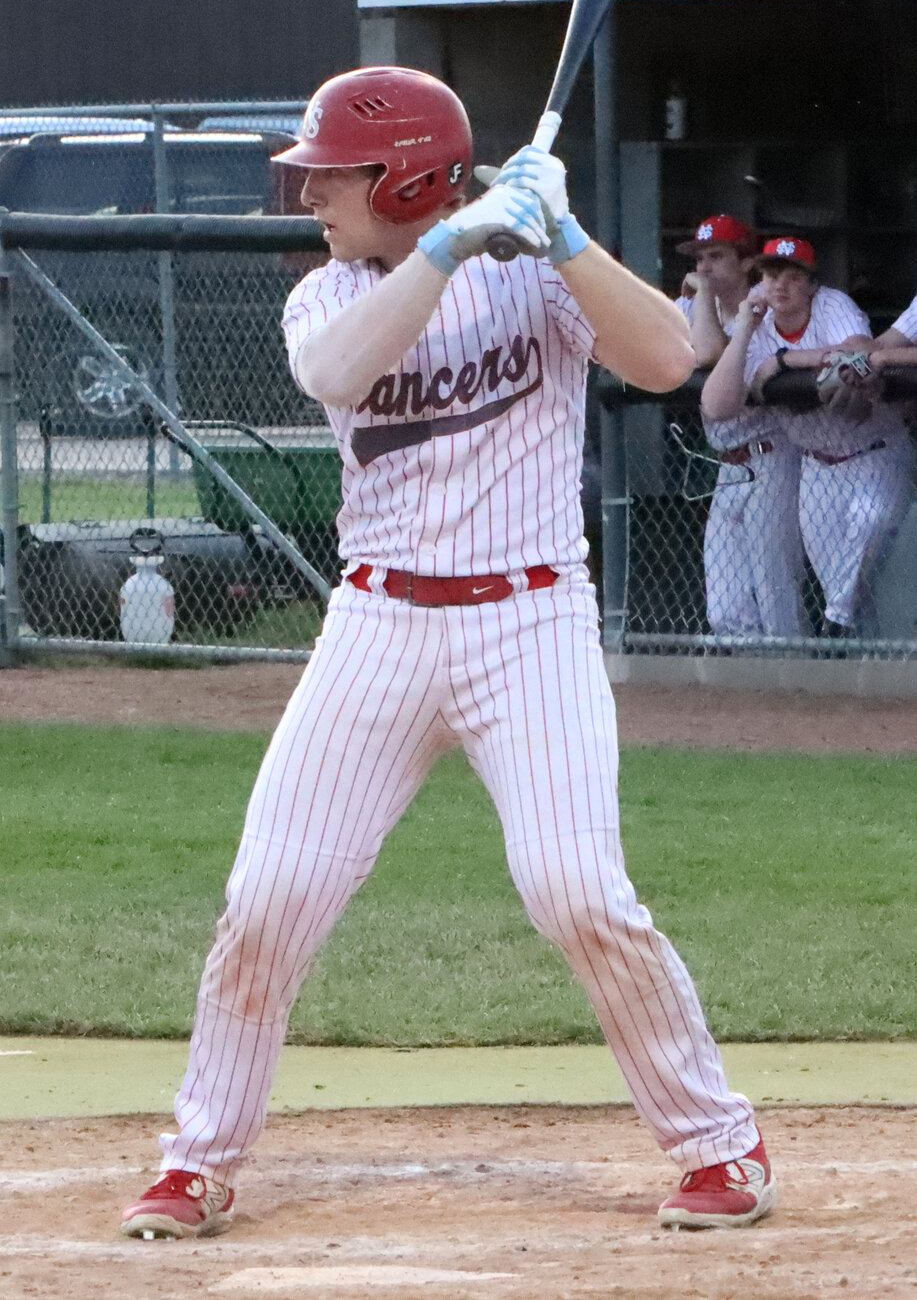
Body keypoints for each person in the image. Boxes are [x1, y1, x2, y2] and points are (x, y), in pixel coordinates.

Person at [121, 66, 775, 1241]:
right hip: (375, 623)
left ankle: (718, 1143)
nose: (311, 191)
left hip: (529, 621)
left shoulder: (540, 280)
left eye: (334, 174)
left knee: (576, 889)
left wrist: (563, 237)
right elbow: (335, 376)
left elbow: (669, 358)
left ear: (409, 173)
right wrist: (448, 248)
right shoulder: (325, 299)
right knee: (269, 896)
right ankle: (197, 1158)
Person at [702, 237, 913, 636]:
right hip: (816, 466)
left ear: (812, 285)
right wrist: (745, 327)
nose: (779, 286)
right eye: (770, 275)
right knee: (843, 584)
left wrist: (782, 362)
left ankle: (835, 628)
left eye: (793, 276)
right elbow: (716, 405)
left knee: (869, 523)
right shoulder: (756, 321)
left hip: (874, 451)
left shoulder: (832, 304)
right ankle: (854, 670)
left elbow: (856, 353)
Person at [677, 216, 807, 639]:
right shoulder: (692, 305)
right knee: (725, 608)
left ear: (748, 261)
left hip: (774, 457)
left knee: (776, 594)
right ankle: (754, 695)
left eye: (716, 256)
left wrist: (704, 295)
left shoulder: (763, 306)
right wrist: (702, 299)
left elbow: (708, 353)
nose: (705, 266)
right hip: (727, 466)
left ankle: (799, 684)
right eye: (699, 257)